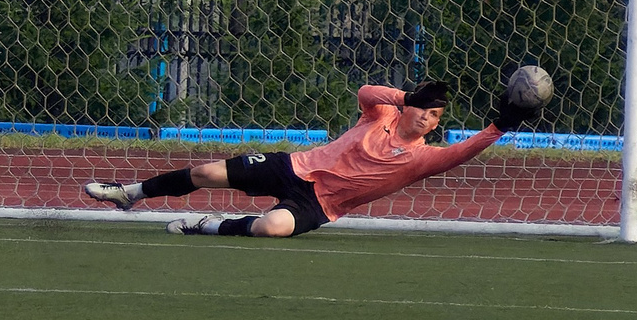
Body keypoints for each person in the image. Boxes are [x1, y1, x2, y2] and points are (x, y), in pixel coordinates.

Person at [82, 80, 542, 237]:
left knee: (269, 228)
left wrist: (498, 128)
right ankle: (130, 193)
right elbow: (365, 91)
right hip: (294, 166)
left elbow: (463, 153)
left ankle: (207, 225)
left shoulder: (421, 159)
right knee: (205, 171)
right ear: (410, 106)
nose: (428, 118)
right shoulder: (382, 111)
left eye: (436, 115)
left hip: (318, 205)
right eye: (425, 108)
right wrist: (404, 94)